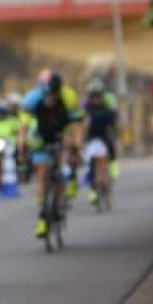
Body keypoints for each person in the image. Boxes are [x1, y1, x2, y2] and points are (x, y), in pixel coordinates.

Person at [19, 72, 84, 237]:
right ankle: (42, 215)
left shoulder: (68, 98)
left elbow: (76, 125)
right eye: (47, 94)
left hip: (60, 130)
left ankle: (61, 196)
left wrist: (76, 146)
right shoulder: (32, 100)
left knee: (60, 168)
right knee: (42, 173)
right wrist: (21, 148)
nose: (50, 98)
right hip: (40, 133)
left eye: (53, 94)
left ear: (58, 91)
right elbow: (23, 128)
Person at [82, 78, 118, 204]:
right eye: (93, 96)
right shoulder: (86, 107)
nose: (95, 99)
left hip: (104, 136)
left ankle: (112, 166)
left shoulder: (108, 107)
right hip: (92, 137)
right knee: (90, 164)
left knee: (109, 147)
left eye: (98, 96)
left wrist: (111, 132)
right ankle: (93, 189)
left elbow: (112, 124)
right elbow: (82, 124)